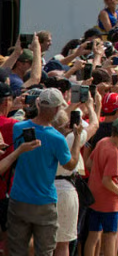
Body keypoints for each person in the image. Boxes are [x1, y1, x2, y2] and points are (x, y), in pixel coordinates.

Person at [9, 88, 83, 256]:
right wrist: (77, 137)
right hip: (44, 201)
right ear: (57, 109)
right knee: (45, 251)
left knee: (17, 251)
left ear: (38, 104)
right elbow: (71, 165)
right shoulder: (57, 139)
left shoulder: (18, 128)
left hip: (19, 198)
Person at [85, 118, 118, 256]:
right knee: (110, 236)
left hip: (94, 197)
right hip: (109, 202)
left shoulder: (102, 142)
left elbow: (89, 163)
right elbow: (107, 181)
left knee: (93, 235)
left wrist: (97, 174)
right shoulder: (114, 152)